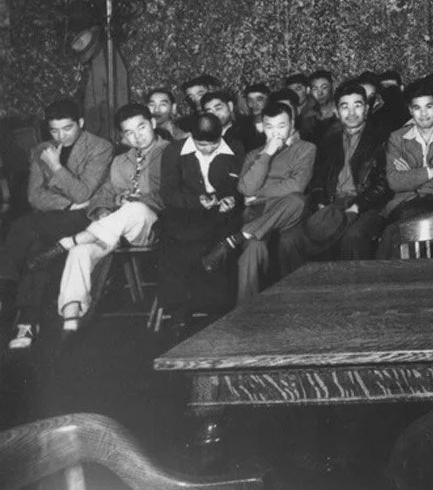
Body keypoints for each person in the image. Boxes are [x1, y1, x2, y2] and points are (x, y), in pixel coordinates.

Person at [37, 103, 167, 333]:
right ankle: (70, 320)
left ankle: (70, 240)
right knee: (80, 252)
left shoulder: (172, 152)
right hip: (114, 230)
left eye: (141, 127)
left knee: (135, 209)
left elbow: (173, 195)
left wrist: (137, 200)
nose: (137, 136)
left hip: (152, 226)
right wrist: (103, 210)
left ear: (153, 123)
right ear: (123, 135)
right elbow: (102, 195)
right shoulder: (120, 161)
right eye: (129, 132)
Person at [0, 98, 115, 349]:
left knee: (21, 227)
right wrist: (67, 204)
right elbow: (34, 196)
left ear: (80, 123)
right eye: (54, 130)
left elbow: (84, 193)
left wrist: (55, 166)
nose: (61, 136)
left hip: (85, 219)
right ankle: (27, 322)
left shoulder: (100, 147)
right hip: (55, 218)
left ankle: (6, 291)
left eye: (67, 128)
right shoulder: (41, 149)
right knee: (38, 250)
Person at [201, 101, 315, 303]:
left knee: (297, 200)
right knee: (253, 248)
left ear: (291, 124)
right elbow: (245, 189)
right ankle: (245, 311)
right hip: (259, 214)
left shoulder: (306, 148)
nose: (275, 133)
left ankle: (235, 239)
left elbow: (297, 185)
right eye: (270, 127)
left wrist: (260, 194)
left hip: (288, 212)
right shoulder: (254, 154)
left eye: (281, 126)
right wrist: (267, 154)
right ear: (262, 127)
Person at [277, 80, 391, 269]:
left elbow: (383, 184)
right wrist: (321, 202)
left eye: (357, 105)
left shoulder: (382, 139)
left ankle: (351, 288)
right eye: (345, 107)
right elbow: (317, 181)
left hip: (366, 206)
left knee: (352, 237)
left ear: (367, 109)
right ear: (337, 112)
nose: (351, 112)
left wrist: (357, 206)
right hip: (331, 205)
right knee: (289, 239)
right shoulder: (328, 140)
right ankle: (301, 288)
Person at [157, 112, 243, 332]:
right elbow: (168, 193)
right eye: (201, 145)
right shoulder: (174, 151)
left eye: (213, 144)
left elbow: (240, 187)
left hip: (221, 214)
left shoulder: (234, 149)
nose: (207, 149)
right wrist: (197, 201)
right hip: (185, 213)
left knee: (220, 246)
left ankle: (218, 311)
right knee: (176, 244)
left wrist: (231, 200)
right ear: (191, 137)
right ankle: (179, 309)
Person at [379, 79, 433, 258]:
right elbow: (394, 182)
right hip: (403, 204)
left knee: (399, 230)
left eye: (429, 106)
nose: (424, 114)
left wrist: (410, 176)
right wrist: (430, 172)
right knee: (397, 228)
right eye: (417, 108)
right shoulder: (397, 138)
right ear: (410, 110)